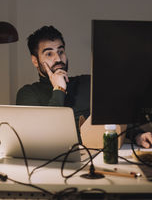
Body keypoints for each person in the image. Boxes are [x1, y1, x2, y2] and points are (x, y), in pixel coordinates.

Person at [16, 25, 152, 148]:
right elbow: (44, 136)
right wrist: (59, 90)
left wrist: (137, 135)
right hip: (51, 165)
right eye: (49, 54)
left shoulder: (87, 83)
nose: (58, 59)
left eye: (61, 51)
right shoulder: (28, 93)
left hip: (96, 160)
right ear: (35, 60)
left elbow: (116, 117)